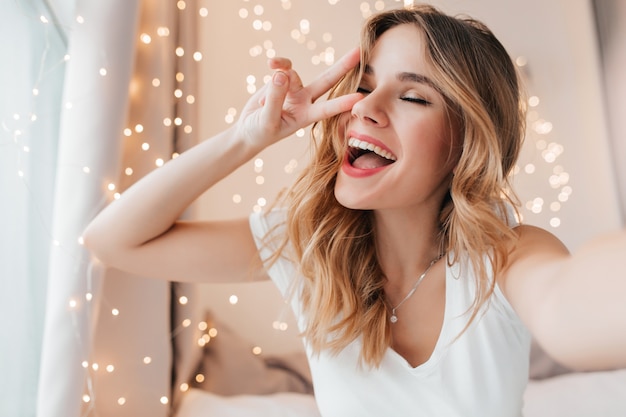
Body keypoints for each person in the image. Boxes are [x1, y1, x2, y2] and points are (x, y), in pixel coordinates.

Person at [83, 4, 626, 416]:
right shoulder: (307, 247)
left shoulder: (503, 257)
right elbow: (112, 241)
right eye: (364, 87)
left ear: (464, 144)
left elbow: (567, 305)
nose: (365, 107)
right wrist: (247, 139)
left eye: (413, 97)